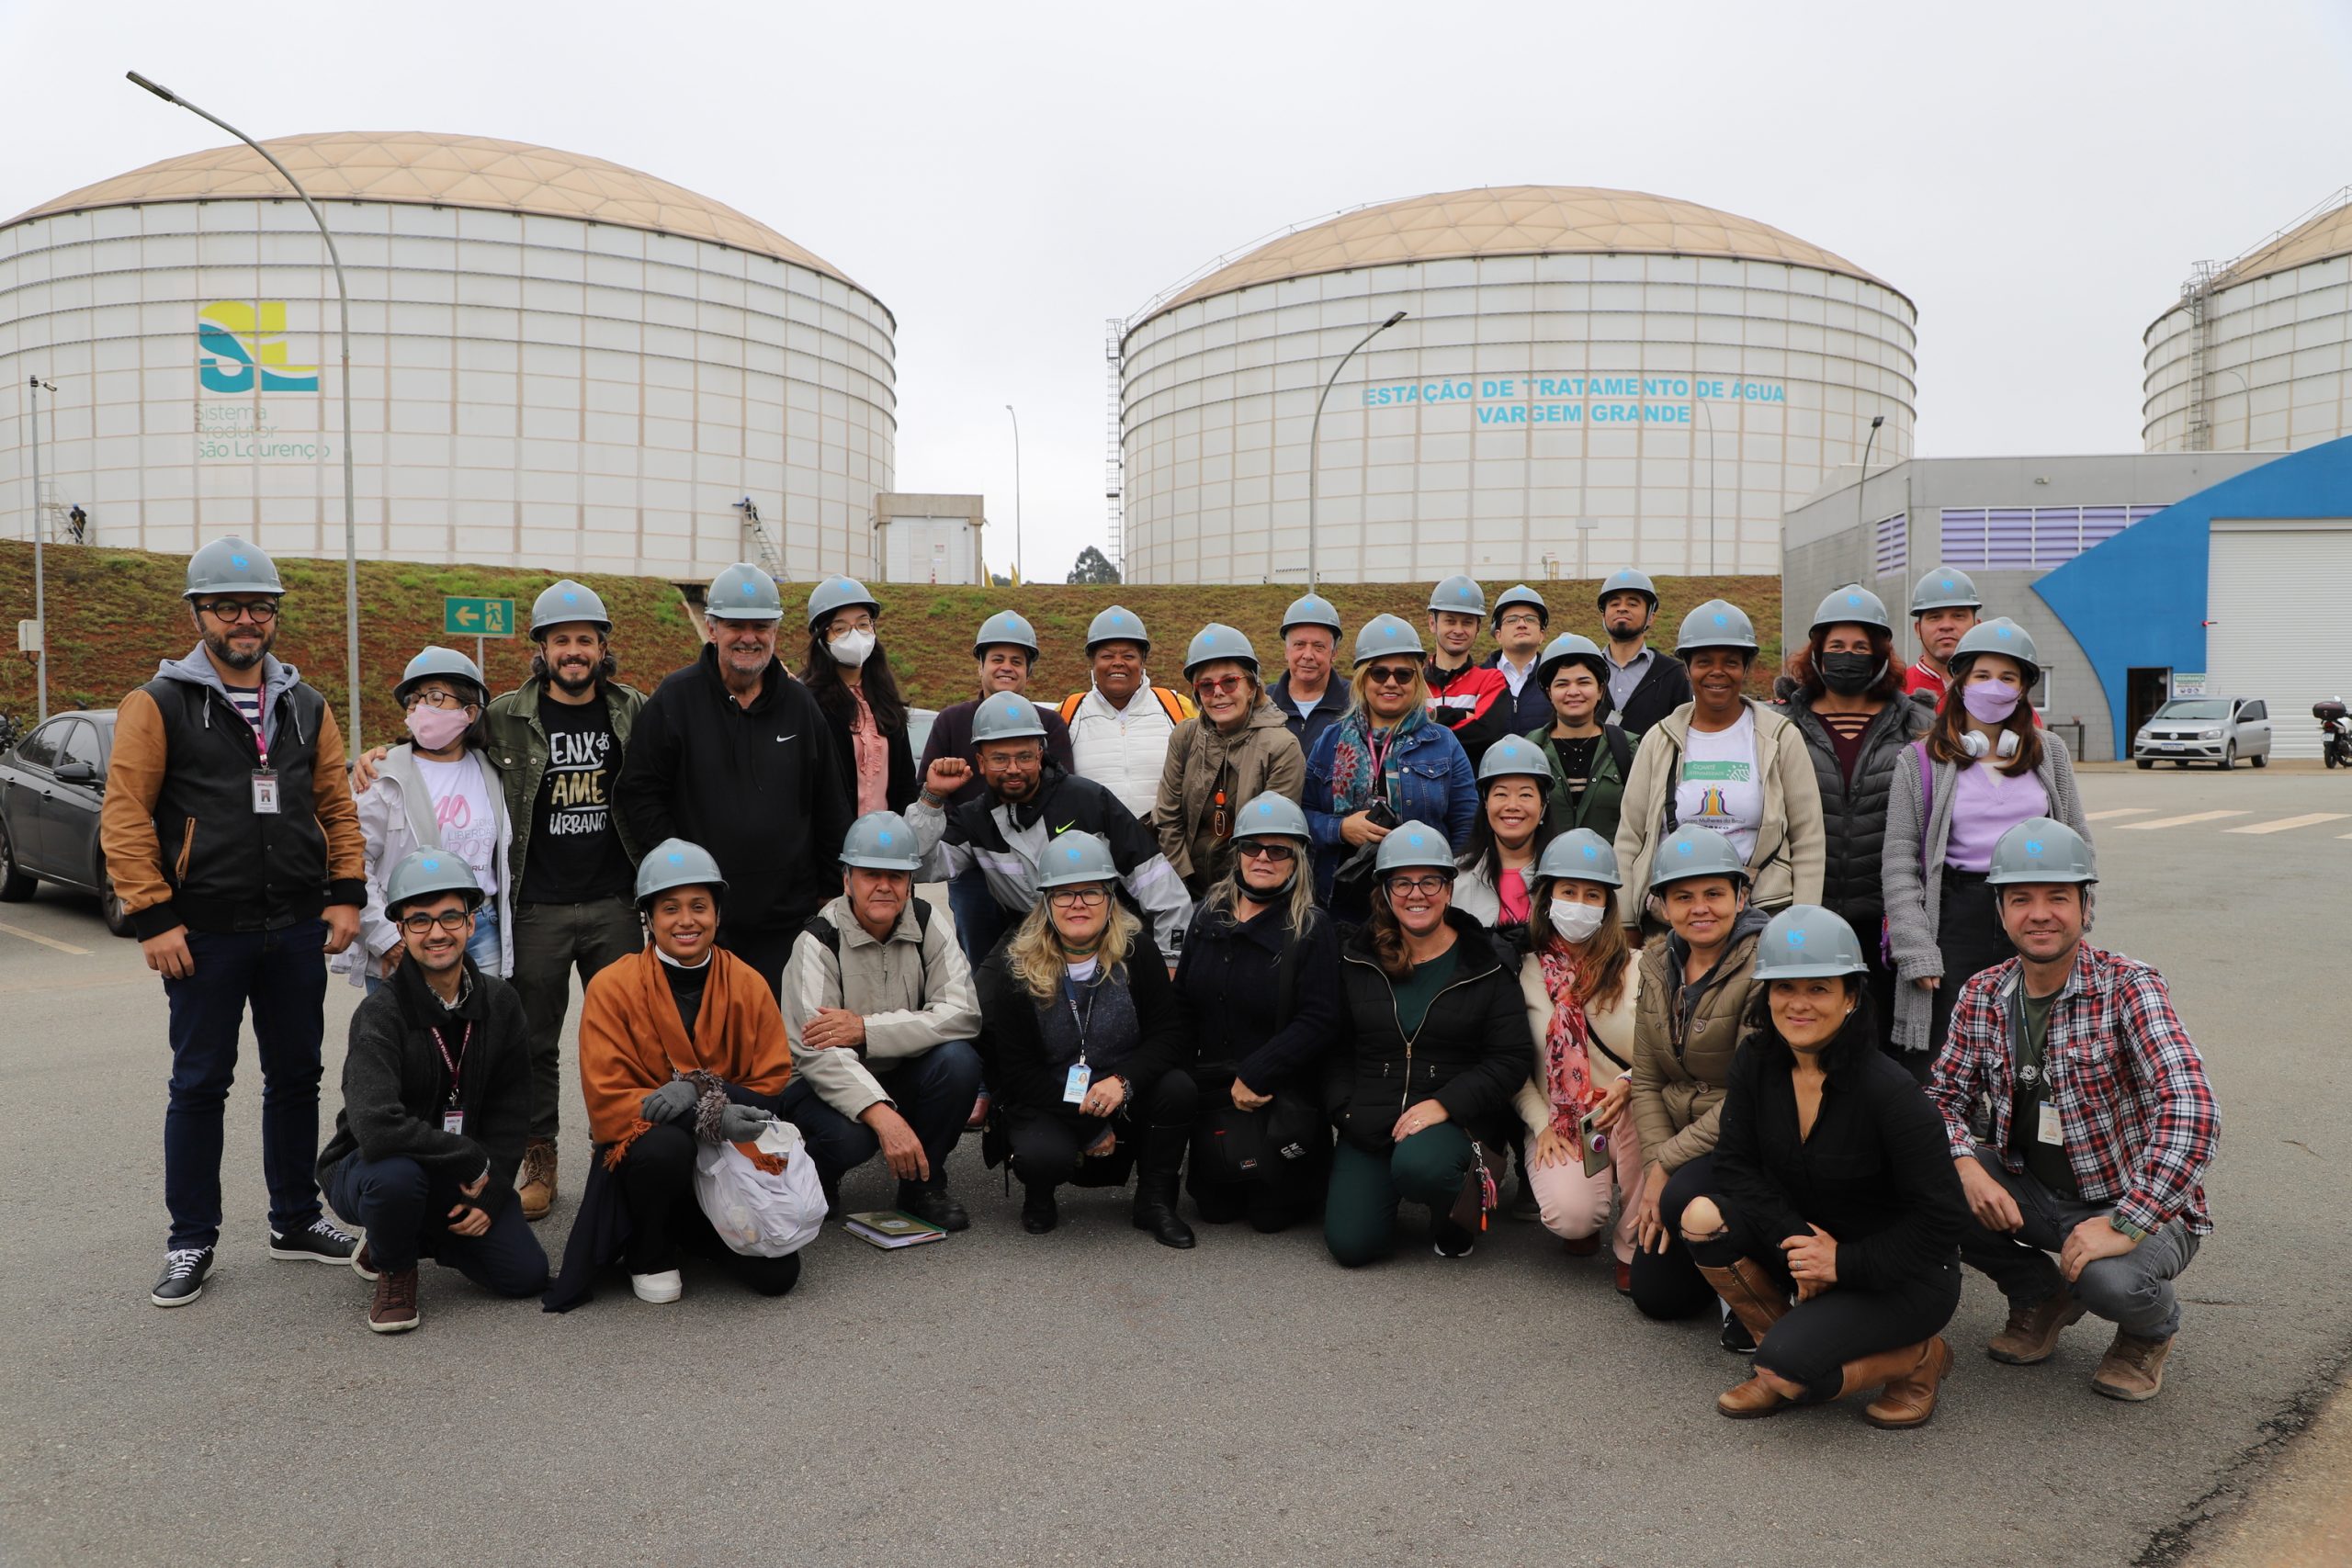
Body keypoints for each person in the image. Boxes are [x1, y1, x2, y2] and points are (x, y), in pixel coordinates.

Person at [101, 536, 364, 1307]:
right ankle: (191, 1240)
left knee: (296, 1077)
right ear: (199, 614)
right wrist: (153, 917)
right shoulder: (157, 703)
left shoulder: (305, 703)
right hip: (202, 933)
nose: (244, 620)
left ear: (274, 614)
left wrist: (343, 893)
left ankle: (294, 1220)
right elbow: (125, 816)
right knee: (199, 1084)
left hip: (292, 928)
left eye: (258, 606)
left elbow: (336, 806)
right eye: (227, 607)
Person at [356, 577, 650, 1221]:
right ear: (541, 649)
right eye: (560, 640)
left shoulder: (634, 709)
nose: (574, 651)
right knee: (532, 1042)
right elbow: (436, 733)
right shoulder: (507, 716)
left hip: (615, 900)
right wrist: (378, 756)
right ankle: (539, 1154)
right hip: (537, 904)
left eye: (586, 640)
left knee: (626, 1033)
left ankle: (626, 1146)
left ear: (603, 648)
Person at [1929, 819, 2219, 1404]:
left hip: (2135, 1198)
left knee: (2111, 1280)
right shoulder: (1982, 994)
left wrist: (2125, 1222)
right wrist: (1964, 1166)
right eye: (2021, 899)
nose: (2040, 914)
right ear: (2002, 911)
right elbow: (1938, 1099)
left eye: (2058, 897)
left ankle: (2147, 1332)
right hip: (2035, 1189)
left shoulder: (2128, 987)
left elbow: (2193, 1107)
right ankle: (2040, 1293)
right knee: (1929, 1184)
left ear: (2086, 907)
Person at [1681, 906, 1969, 1427]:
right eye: (1784, 988)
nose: (1798, 1005)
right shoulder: (1756, 1059)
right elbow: (1735, 1165)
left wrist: (1842, 1263)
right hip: (1813, 1244)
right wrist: (1800, 1245)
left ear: (1852, 998)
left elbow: (1943, 1221)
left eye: (1818, 989)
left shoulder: (1891, 1093)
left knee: (1796, 1375)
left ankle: (1923, 1359)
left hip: (1902, 1274)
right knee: (1702, 1215)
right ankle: (1777, 1353)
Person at [545, 840, 798, 1308]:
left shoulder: (748, 982)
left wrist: (700, 1089)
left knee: (779, 1276)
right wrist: (706, 1113)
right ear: (648, 917)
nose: (686, 920)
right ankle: (649, 1248)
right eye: (670, 908)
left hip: (732, 1157)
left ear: (718, 914)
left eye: (699, 906)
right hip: (651, 1156)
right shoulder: (612, 986)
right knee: (664, 1146)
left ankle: (695, 1229)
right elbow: (607, 1100)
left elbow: (773, 1088)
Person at [319, 851, 547, 1333]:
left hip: (450, 1169)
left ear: (471, 922)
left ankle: (412, 1229)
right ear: (400, 929)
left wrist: (494, 1187)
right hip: (370, 1165)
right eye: (420, 920)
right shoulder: (380, 1013)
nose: (437, 933)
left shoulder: (501, 1002)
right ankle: (395, 1268)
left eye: (450, 917)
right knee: (396, 1180)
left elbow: (512, 1109)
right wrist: (469, 1158)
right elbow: (377, 1128)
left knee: (525, 1276)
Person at [616, 561, 853, 995]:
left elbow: (829, 804)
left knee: (782, 1048)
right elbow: (639, 794)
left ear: (776, 631)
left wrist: (828, 891)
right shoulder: (676, 698)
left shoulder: (801, 706)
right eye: (735, 626)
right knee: (701, 1047)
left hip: (787, 923)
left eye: (760, 626)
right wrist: (677, 871)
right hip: (701, 925)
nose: (749, 637)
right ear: (712, 629)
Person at [971, 832, 1198, 1247]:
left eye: (1091, 892)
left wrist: (1123, 1083)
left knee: (1178, 1087)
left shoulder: (1139, 951)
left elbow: (1168, 1037)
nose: (1078, 904)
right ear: (1046, 903)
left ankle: (1154, 1201)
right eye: (1063, 894)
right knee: (1043, 1155)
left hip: (1119, 1087)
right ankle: (1039, 1196)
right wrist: (1087, 1123)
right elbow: (1017, 1073)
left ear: (1111, 899)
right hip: (1049, 1095)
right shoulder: (1016, 967)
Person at [1882, 618, 2088, 1066]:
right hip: (1954, 916)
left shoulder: (2048, 752)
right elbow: (1899, 864)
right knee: (1947, 1053)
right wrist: (1916, 947)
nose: (1994, 687)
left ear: (2022, 689)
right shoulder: (1918, 761)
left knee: (2034, 1045)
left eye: (2008, 677)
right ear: (1960, 682)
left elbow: (2079, 844)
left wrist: (2077, 919)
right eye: (1982, 675)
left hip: (2034, 910)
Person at [1324, 823, 1530, 1265]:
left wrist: (1445, 1105)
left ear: (1449, 889)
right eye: (1402, 881)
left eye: (1429, 880)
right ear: (1385, 890)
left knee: (1422, 1166)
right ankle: (1386, 1189)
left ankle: (1454, 1210)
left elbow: (1510, 1059)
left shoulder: (1485, 962)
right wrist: (1346, 1110)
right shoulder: (1356, 958)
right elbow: (1334, 1046)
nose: (1416, 894)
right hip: (1372, 1118)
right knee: (1352, 1247)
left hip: (1454, 1122)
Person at [779, 811, 983, 1232]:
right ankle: (819, 1175)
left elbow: (963, 1013)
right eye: (872, 874)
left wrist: (866, 1030)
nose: (885, 886)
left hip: (901, 1068)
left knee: (960, 1061)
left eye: (897, 875)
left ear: (911, 881)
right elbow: (816, 1053)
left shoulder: (928, 922)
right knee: (851, 1138)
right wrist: (881, 1114)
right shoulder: (817, 941)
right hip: (821, 1087)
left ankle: (922, 1184)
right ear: (847, 879)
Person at [910, 691, 1193, 959]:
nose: (1013, 769)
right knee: (986, 1003)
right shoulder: (974, 820)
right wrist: (931, 799)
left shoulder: (1090, 802)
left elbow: (1163, 892)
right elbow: (918, 868)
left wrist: (1171, 960)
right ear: (981, 763)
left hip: (1109, 944)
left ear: (1039, 755)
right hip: (1031, 949)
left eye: (1024, 756)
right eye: (999, 759)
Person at [1774, 585, 1929, 1063]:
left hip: (1884, 922)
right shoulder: (1783, 726)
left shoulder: (1916, 725)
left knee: (1882, 1049)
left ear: (1881, 656)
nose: (1848, 657)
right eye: (1836, 647)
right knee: (1811, 1046)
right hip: (1806, 915)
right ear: (1816, 653)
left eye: (1861, 648)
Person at [1624, 827, 1770, 1335]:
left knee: (1679, 1192)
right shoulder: (1655, 964)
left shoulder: (1764, 967)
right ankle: (1710, 1260)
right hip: (1684, 1145)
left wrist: (1665, 1167)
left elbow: (1751, 1096)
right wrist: (1654, 1164)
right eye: (1683, 896)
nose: (1700, 908)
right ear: (1662, 905)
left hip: (1749, 1140)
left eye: (1715, 893)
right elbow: (1644, 1080)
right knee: (1658, 1298)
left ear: (1741, 896)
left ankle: (1759, 1289)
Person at [1177, 793, 1340, 1234]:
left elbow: (1322, 1017)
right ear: (1238, 853)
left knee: (1271, 1218)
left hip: (1279, 1094)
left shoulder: (1311, 925)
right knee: (1213, 1209)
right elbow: (1184, 1003)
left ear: (1298, 859)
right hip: (1216, 1092)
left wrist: (1258, 1073)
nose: (1263, 858)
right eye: (1252, 847)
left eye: (1279, 850)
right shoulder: (1208, 913)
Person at [1614, 599, 1824, 934]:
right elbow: (1630, 838)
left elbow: (1808, 838)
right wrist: (1626, 922)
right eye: (1704, 662)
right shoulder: (1660, 739)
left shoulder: (1780, 737)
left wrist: (1804, 921)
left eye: (1730, 662)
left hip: (1762, 917)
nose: (1717, 672)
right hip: (1673, 918)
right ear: (1686, 668)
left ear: (1745, 668)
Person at [1515, 830, 1645, 1291]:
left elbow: (1661, 1052)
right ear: (1548, 897)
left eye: (1593, 894)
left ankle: (1633, 1249)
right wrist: (1540, 1124)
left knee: (1643, 1114)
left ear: (1608, 906)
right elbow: (1512, 1064)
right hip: (1562, 1119)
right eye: (1568, 891)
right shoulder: (1521, 970)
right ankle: (1590, 1211)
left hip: (1628, 1110)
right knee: (1572, 1218)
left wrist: (1629, 1083)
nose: (1580, 903)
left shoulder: (1639, 967)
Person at [342, 647, 512, 994]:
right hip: (410, 930)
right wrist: (386, 937)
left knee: (480, 1038)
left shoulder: (495, 770)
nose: (421, 708)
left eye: (436, 697)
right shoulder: (383, 775)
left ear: (470, 711)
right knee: (407, 1040)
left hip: (482, 928)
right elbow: (355, 861)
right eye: (414, 700)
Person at [915, 610, 1078, 970]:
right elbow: (925, 790)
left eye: (1017, 661)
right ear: (980, 666)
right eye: (997, 659)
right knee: (983, 961)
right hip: (972, 866)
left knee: (1049, 960)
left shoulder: (1049, 724)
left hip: (1036, 864)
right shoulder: (952, 721)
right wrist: (937, 789)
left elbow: (1062, 791)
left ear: (1028, 671)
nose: (1007, 667)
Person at [1303, 615, 1477, 921]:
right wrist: (1341, 828)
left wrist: (1447, 886)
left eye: (1403, 674)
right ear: (1362, 680)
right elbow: (1303, 813)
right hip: (1343, 902)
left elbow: (1466, 823)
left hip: (1420, 901)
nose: (1391, 683)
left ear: (1417, 680)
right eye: (1379, 673)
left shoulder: (1444, 743)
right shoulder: (1330, 740)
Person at [1152, 624, 1306, 897]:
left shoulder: (1283, 747)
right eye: (1207, 686)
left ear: (1251, 686)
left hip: (1252, 893)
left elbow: (1272, 838)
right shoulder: (1184, 737)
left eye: (1229, 682)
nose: (1219, 692)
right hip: (1185, 890)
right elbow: (1167, 819)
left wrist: (1231, 898)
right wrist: (1183, 886)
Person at [1057, 605, 1195, 819]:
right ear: (1093, 662)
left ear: (1142, 661)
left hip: (1166, 845)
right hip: (1093, 847)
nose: (1118, 663)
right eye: (1107, 656)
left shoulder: (1176, 706)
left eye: (1129, 656)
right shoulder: (1068, 712)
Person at [801, 575, 917, 817]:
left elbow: (905, 784)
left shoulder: (886, 700)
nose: (855, 635)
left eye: (863, 624)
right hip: (832, 846)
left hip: (885, 841)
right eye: (841, 628)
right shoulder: (807, 702)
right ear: (821, 639)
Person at [1450, 735, 1555, 958]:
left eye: (1526, 794)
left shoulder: (1564, 877)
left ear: (1543, 804)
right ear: (1486, 803)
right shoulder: (1455, 879)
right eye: (1501, 794)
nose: (1512, 805)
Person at [1526, 631, 1633, 841]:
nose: (1573, 692)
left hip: (1611, 871)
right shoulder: (1530, 750)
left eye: (1584, 682)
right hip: (1546, 870)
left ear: (1600, 690)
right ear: (1549, 692)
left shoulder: (1629, 749)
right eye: (1562, 684)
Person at [1421, 574, 1514, 762]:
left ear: (1478, 628)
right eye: (1450, 620)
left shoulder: (1491, 680)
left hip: (1470, 789)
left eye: (1467, 622)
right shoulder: (1413, 681)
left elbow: (1484, 734)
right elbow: (1400, 731)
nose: (1458, 630)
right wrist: (1459, 715)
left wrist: (1430, 720)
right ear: (1433, 623)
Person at [1595, 568, 1693, 740]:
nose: (1622, 609)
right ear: (1604, 615)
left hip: (1653, 767)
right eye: (1614, 604)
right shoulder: (1587, 667)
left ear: (1650, 617)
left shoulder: (1673, 673)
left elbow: (1684, 734)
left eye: (1632, 604)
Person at [1269, 592, 1351, 759]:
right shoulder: (1264, 703)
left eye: (1318, 646)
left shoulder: (1355, 702)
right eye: (1299, 645)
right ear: (1286, 651)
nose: (1308, 655)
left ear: (1334, 653)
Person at [1902, 566, 1983, 706]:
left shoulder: (1998, 691)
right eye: (1935, 617)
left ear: (1977, 627)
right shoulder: (1894, 689)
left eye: (1958, 616)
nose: (1946, 625)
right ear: (1917, 629)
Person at [1483, 584, 1555, 736]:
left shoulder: (1555, 679)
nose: (1522, 624)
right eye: (1512, 620)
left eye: (1530, 619)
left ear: (1542, 635)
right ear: (1498, 635)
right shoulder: (1479, 679)